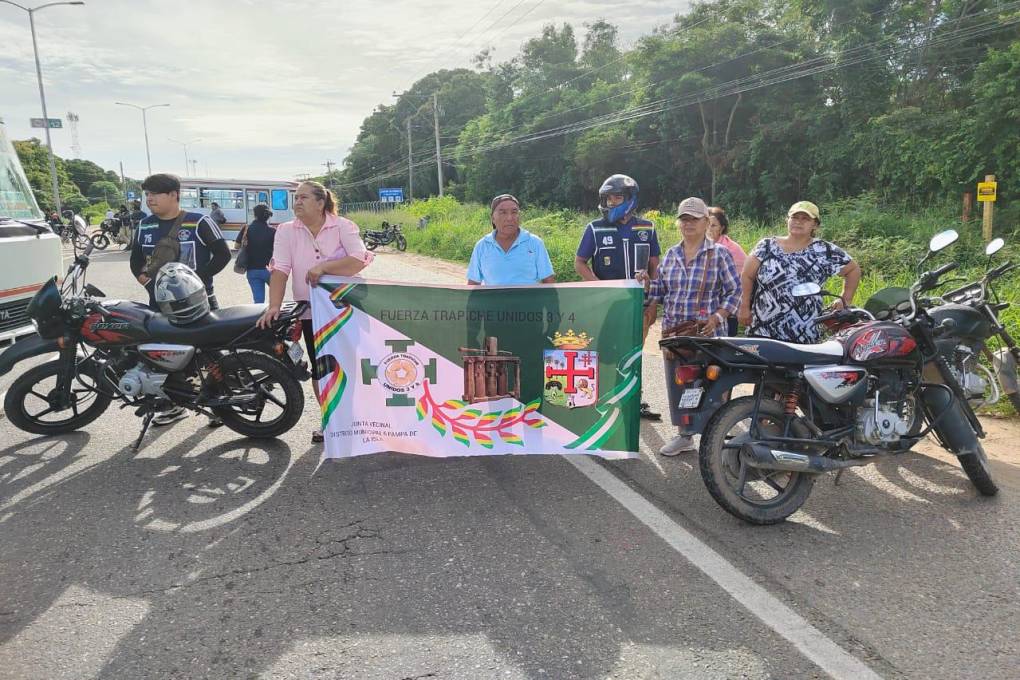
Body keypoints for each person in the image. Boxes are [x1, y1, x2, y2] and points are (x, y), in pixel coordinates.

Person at [256, 180, 373, 444]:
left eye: (304, 198)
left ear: (321, 203)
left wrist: (324, 268)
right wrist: (274, 305)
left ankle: (356, 419)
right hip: (312, 313)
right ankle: (330, 421)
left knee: (349, 365)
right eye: (295, 198)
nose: (297, 202)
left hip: (346, 310)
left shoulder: (343, 226)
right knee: (322, 367)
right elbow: (280, 269)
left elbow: (358, 260)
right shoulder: (286, 231)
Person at [131, 173, 231, 427]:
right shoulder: (144, 225)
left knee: (212, 355)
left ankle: (224, 404)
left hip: (200, 304)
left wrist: (195, 281)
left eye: (155, 193)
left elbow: (222, 255)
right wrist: (148, 284)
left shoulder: (200, 222)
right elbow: (136, 263)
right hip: (160, 307)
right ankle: (174, 405)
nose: (150, 199)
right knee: (165, 356)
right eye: (147, 194)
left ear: (174, 194)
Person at [645, 197, 741, 455]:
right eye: (684, 219)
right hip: (676, 335)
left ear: (706, 222)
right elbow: (659, 291)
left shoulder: (719, 254)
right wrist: (644, 284)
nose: (688, 224)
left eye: (694, 219)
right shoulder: (672, 254)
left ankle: (715, 439)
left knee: (712, 388)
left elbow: (734, 292)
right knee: (680, 385)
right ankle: (684, 436)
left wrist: (718, 317)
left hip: (708, 336)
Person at [575, 173, 662, 420]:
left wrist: (654, 301)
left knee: (634, 352)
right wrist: (600, 288)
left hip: (639, 305)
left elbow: (656, 266)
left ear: (630, 199)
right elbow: (580, 263)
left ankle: (634, 398)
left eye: (617, 198)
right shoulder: (595, 228)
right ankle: (601, 397)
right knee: (605, 352)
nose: (611, 203)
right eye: (608, 198)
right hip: (608, 305)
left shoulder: (647, 227)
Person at [738, 200, 861, 345]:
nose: (798, 222)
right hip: (762, 329)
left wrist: (845, 299)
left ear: (815, 225)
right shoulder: (767, 246)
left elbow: (853, 270)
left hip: (804, 331)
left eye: (805, 219)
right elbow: (747, 275)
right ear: (787, 220)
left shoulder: (824, 250)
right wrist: (744, 306)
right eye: (795, 217)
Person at [466, 194, 555, 285]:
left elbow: (549, 282)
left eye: (514, 212)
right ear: (493, 218)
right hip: (493, 299)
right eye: (503, 212)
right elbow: (473, 284)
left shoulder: (534, 243)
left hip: (528, 299)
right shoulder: (482, 246)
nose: (509, 218)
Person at [707, 206, 746, 336]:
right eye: (706, 224)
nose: (708, 229)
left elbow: (738, 285)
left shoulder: (731, 249)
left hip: (728, 307)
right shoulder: (698, 247)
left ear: (721, 228)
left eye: (713, 225)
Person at [236, 203, 275, 303]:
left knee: (258, 301)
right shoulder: (272, 231)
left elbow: (236, 246)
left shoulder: (246, 229)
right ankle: (275, 317)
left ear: (255, 215)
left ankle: (260, 317)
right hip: (270, 270)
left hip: (252, 270)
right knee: (276, 299)